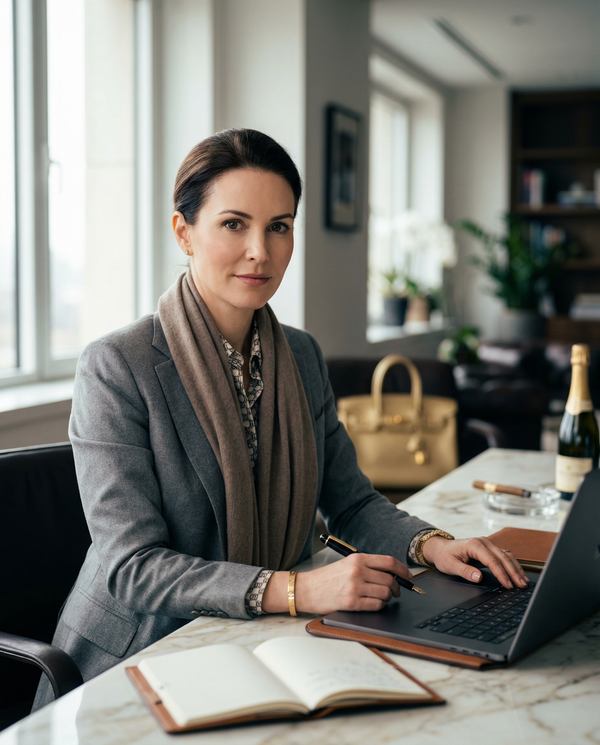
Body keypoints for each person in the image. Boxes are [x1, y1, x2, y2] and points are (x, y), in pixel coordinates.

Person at [33, 128, 527, 709]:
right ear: (183, 231)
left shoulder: (301, 356)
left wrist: (432, 546)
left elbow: (350, 501)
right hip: (137, 657)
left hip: (260, 638)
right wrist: (295, 589)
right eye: (233, 224)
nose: (260, 253)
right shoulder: (118, 365)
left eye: (279, 227)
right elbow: (132, 568)